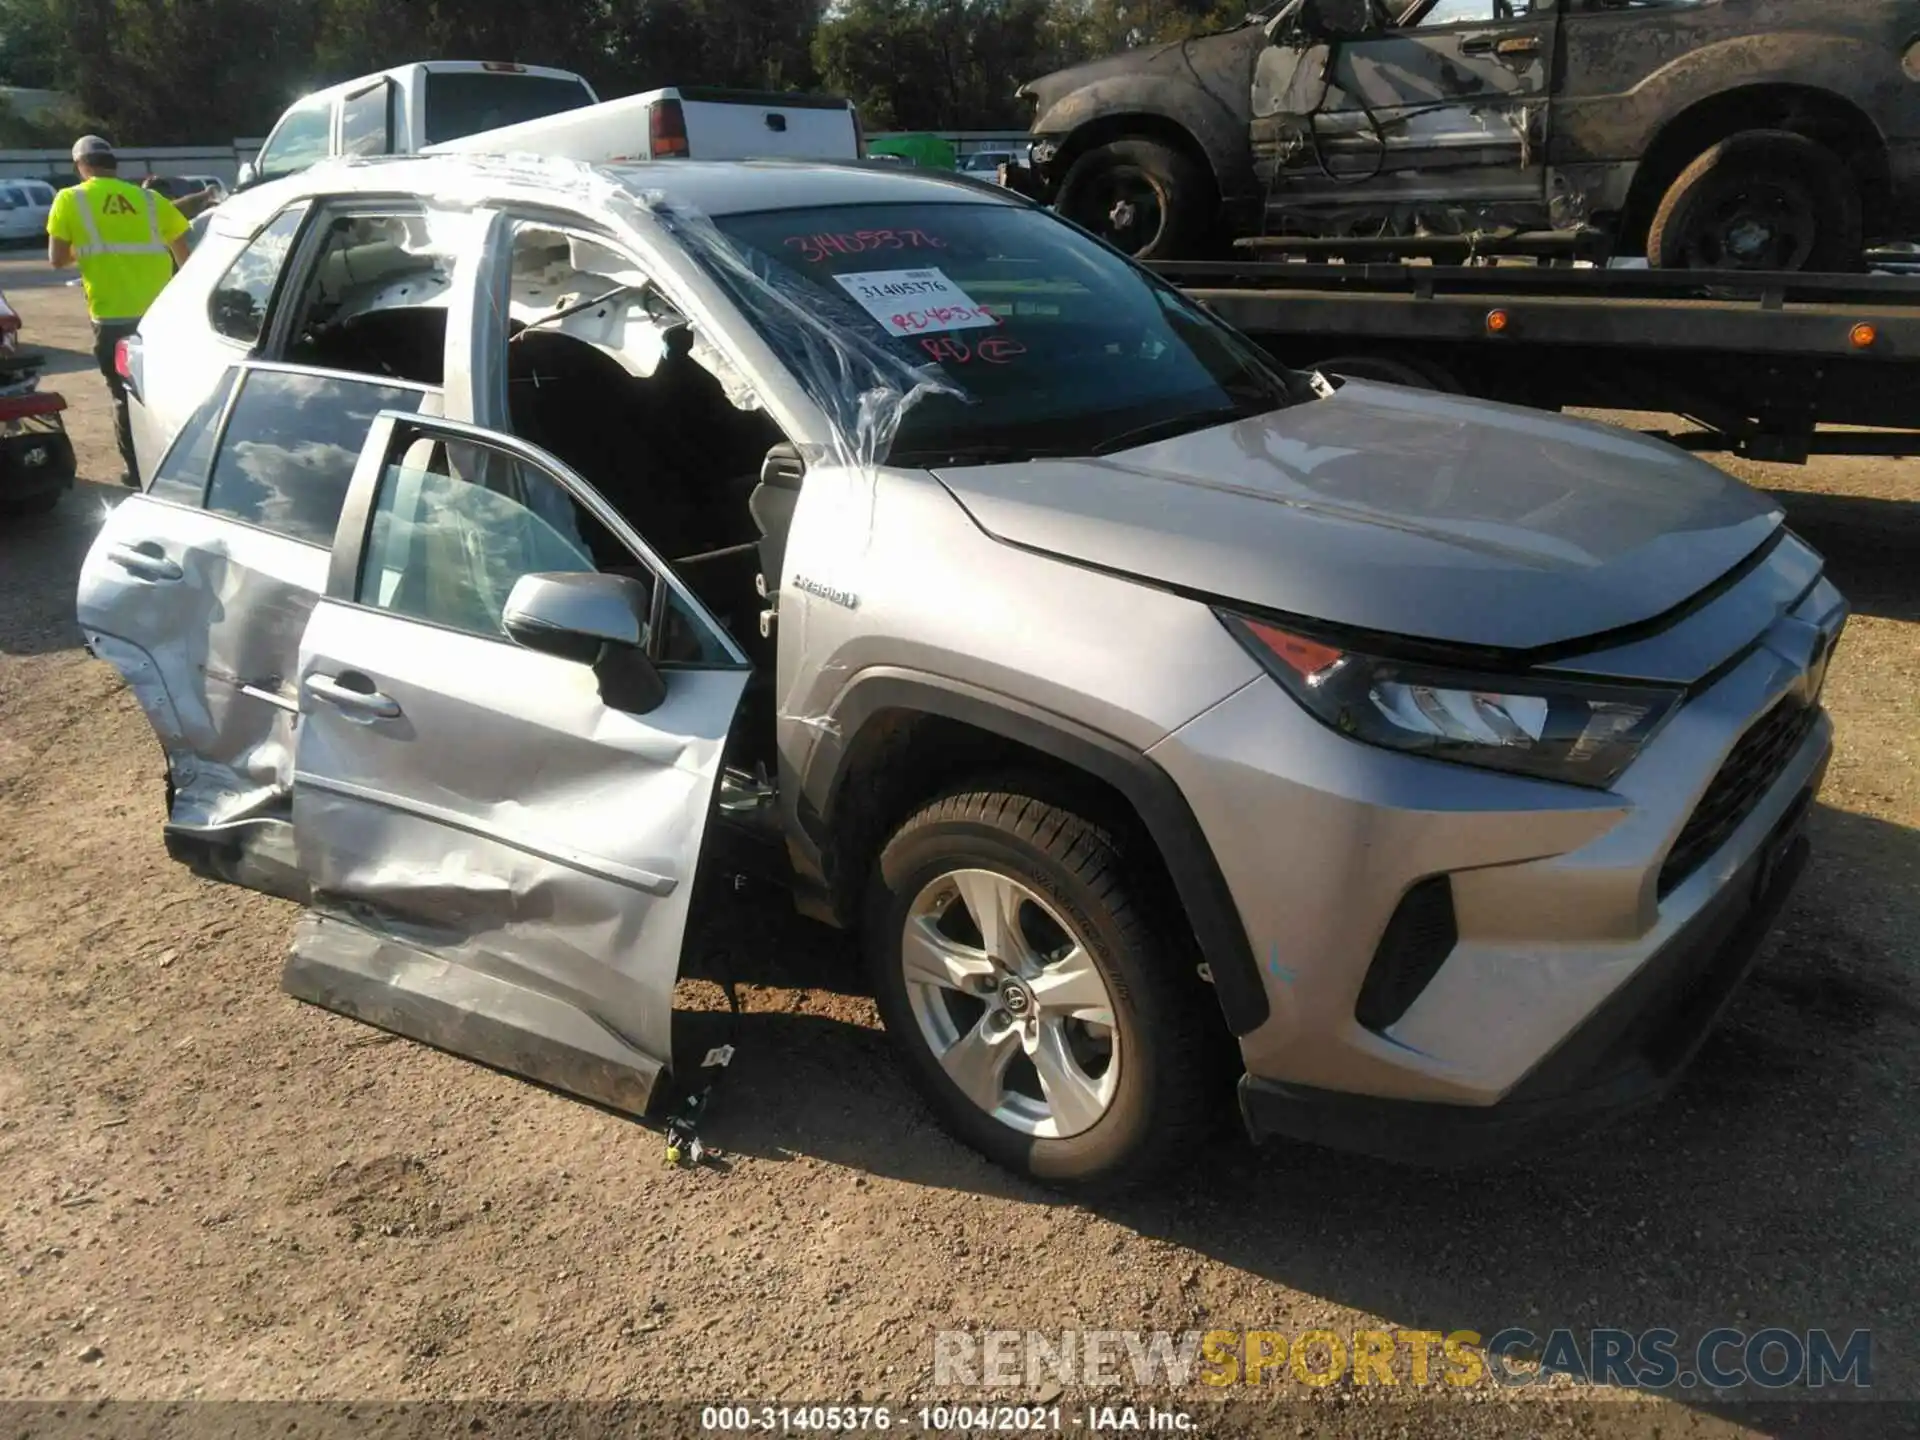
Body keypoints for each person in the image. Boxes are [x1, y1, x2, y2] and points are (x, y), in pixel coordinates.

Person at [46, 135, 191, 486]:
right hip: (163, 315)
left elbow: (57, 260)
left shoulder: (70, 198)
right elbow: (184, 255)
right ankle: (184, 465)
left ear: (82, 166)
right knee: (174, 389)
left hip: (113, 319)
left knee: (125, 395)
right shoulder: (150, 198)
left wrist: (90, 249)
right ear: (113, 164)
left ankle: (138, 472)